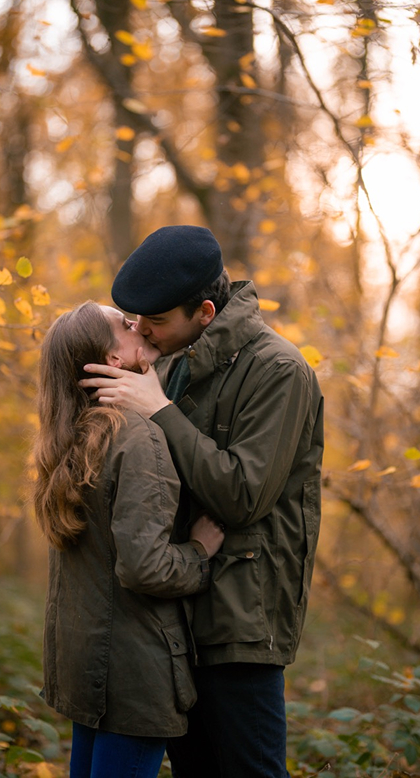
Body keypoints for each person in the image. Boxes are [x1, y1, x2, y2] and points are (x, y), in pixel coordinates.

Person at [80, 225, 324, 778]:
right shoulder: (168, 359)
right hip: (174, 614)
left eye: (157, 321)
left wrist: (159, 409)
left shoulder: (279, 370)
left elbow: (243, 496)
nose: (142, 331)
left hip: (242, 620)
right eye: (136, 320)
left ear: (206, 312)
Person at [32, 300, 224, 778]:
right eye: (124, 323)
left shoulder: (70, 437)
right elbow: (145, 566)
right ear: (112, 359)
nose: (138, 324)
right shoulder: (136, 436)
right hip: (132, 678)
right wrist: (199, 552)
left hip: (85, 670)